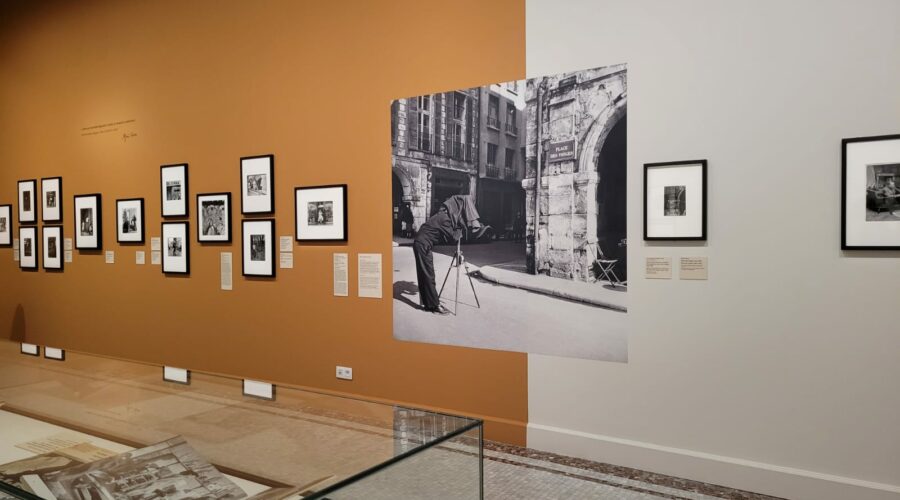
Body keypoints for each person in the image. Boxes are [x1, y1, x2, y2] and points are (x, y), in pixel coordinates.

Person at [413, 194, 488, 315]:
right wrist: (462, 229)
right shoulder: (445, 219)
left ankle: (428, 303)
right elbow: (453, 237)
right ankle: (434, 306)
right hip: (423, 244)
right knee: (428, 274)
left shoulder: (444, 215)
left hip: (421, 243)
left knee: (425, 273)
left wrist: (462, 226)